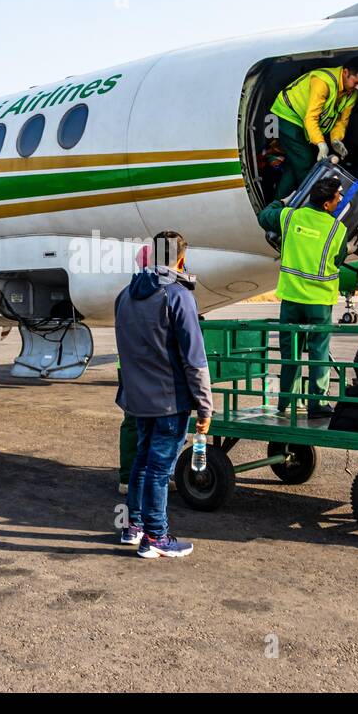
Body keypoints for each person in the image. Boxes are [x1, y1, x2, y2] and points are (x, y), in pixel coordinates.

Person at [114, 231, 212, 559]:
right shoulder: (177, 295)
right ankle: (156, 537)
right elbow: (194, 357)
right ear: (180, 260)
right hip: (169, 401)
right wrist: (205, 405)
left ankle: (134, 526)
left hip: (138, 400)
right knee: (158, 468)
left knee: (142, 461)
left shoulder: (125, 296)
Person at [257, 176, 349, 418]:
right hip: (319, 302)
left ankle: (286, 402)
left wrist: (283, 200)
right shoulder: (337, 230)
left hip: (291, 298)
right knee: (318, 352)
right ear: (328, 204)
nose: (339, 201)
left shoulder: (289, 216)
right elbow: (339, 260)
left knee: (291, 354)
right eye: (337, 197)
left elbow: (264, 216)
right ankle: (316, 405)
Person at [269, 57, 358, 200]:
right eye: (356, 82)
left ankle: (279, 204)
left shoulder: (351, 94)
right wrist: (320, 143)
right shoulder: (323, 81)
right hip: (288, 115)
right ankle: (313, 202)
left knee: (296, 164)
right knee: (305, 160)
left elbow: (342, 121)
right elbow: (311, 117)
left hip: (305, 123)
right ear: (345, 72)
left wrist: (336, 139)